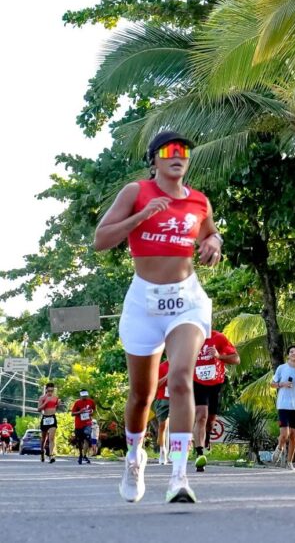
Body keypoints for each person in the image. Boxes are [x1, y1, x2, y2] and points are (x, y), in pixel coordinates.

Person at [94, 131, 222, 504]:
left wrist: (214, 241)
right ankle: (135, 457)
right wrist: (141, 217)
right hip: (144, 304)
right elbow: (100, 240)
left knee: (182, 378)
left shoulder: (199, 201)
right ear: (155, 160)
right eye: (169, 151)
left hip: (186, 301)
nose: (177, 156)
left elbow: (210, 236)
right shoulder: (136, 193)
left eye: (183, 151)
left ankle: (179, 477)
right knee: (141, 396)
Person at [192, 330, 240, 473]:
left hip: (215, 383)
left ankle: (206, 439)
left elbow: (236, 359)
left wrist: (219, 356)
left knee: (211, 420)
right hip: (196, 382)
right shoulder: (190, 336)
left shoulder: (218, 337)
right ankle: (200, 453)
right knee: (201, 416)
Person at [270, 346, 295, 470]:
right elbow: (272, 384)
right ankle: (280, 447)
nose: (294, 353)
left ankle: (289, 462)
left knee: (293, 435)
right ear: (288, 355)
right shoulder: (282, 368)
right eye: (291, 352)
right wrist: (282, 384)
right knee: (284, 434)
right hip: (283, 405)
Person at [71, 390, 96, 464]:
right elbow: (72, 413)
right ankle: (81, 455)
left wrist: (91, 412)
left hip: (87, 423)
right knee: (80, 440)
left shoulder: (91, 402)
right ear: (80, 396)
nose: (84, 397)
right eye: (83, 396)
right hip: (78, 424)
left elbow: (94, 410)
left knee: (87, 436)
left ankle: (84, 455)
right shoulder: (77, 403)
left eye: (86, 396)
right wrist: (79, 412)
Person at [38, 382, 61, 462]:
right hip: (45, 418)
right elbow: (39, 409)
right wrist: (46, 402)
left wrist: (58, 405)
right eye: (49, 391)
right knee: (44, 438)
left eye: (52, 391)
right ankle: (42, 452)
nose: (50, 392)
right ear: (46, 390)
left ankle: (51, 455)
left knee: (51, 438)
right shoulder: (42, 398)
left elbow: (56, 408)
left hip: (52, 418)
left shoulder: (56, 398)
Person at [154, 358, 171, 465]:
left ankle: (176, 453)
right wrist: (166, 377)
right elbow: (155, 385)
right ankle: (162, 450)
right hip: (163, 398)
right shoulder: (161, 367)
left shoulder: (183, 364)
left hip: (178, 397)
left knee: (179, 426)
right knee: (162, 426)